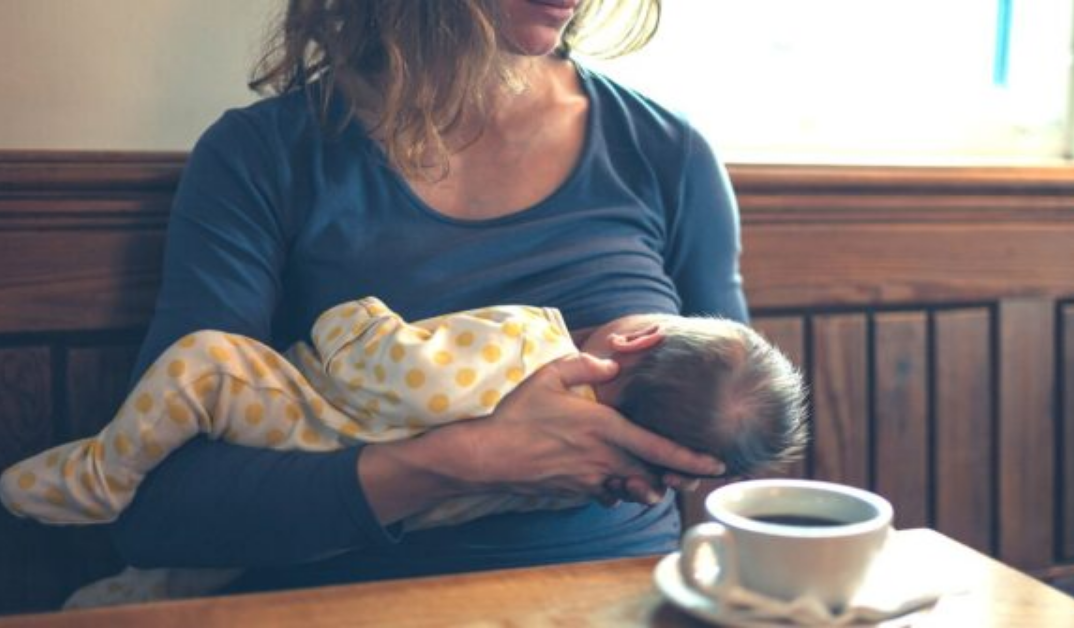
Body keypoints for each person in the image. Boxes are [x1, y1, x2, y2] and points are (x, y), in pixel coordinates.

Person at [107, 0, 747, 594]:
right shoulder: (263, 156)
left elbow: (735, 446)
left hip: (616, 599)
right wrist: (468, 460)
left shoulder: (666, 152)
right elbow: (161, 511)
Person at [0, 297, 806, 529]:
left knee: (205, 363)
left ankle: (101, 475)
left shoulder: (527, 336)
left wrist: (347, 316)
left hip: (301, 420)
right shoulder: (587, 478)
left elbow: (384, 368)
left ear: (631, 339)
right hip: (373, 525)